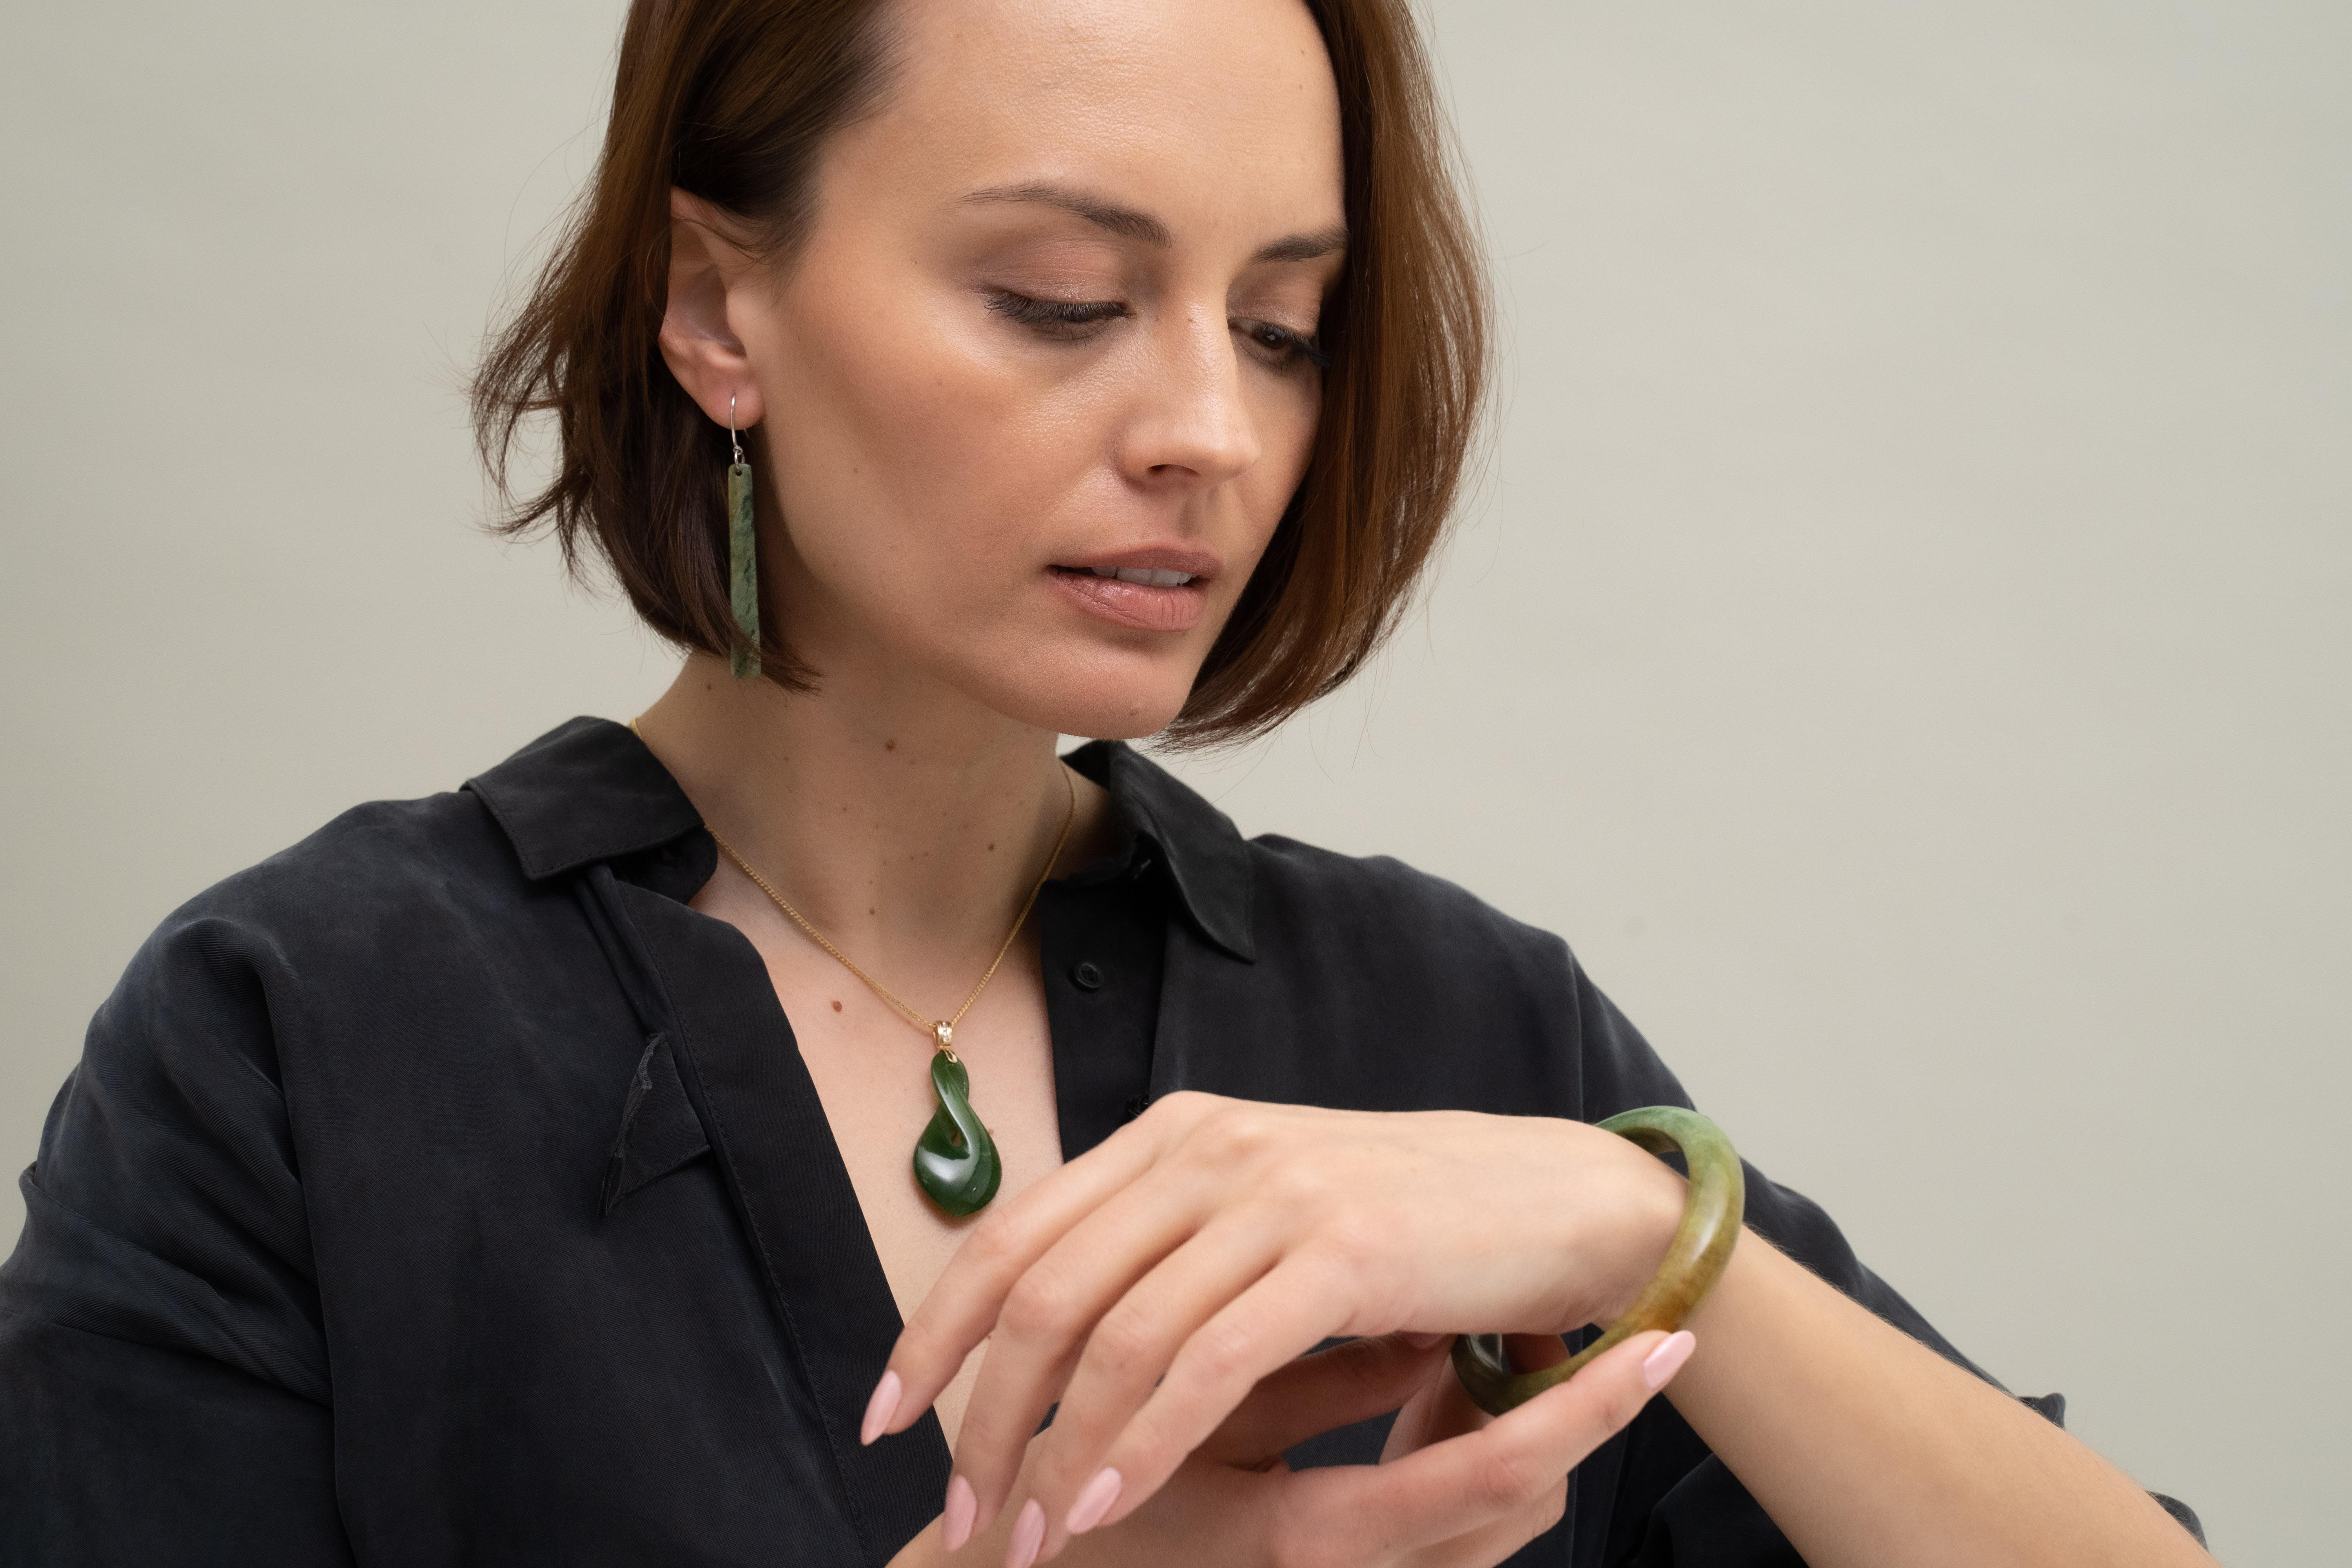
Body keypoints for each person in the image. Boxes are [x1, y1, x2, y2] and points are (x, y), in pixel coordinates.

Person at [0, 0, 2212, 1564]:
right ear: (714, 309)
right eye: (1063, 298)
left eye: (1281, 327)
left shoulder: (1456, 1035)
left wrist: (1664, 1238)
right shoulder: (303, 1041)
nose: (1212, 438)